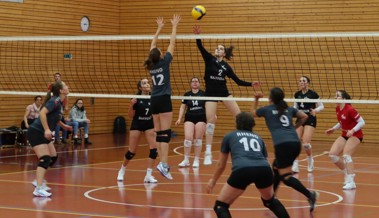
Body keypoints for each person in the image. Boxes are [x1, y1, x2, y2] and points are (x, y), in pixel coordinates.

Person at [193, 25, 260, 165]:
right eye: (217, 48)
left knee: (240, 117)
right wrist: (198, 35)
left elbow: (237, 81)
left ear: (224, 53)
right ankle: (208, 152)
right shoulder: (209, 59)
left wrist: (250, 84)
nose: (218, 49)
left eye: (221, 48)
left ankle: (246, 147)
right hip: (211, 94)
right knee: (210, 121)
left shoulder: (226, 67)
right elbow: (200, 46)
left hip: (224, 93)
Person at [207, 112, 290, 218]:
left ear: (237, 123)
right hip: (264, 169)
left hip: (243, 170)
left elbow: (221, 164)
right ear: (252, 124)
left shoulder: (229, 136)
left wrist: (213, 180)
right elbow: (265, 159)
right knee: (270, 201)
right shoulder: (258, 137)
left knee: (220, 206)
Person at [252, 87, 318, 212]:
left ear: (270, 98)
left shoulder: (267, 109)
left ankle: (310, 195)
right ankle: (271, 198)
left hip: (283, 145)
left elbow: (252, 114)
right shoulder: (288, 108)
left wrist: (256, 99)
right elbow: (304, 117)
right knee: (276, 166)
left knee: (286, 177)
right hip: (294, 143)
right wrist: (293, 127)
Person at [144, 15, 181, 180]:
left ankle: (162, 163)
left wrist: (159, 28)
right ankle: (164, 164)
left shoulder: (150, 64)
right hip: (164, 98)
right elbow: (172, 43)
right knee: (165, 134)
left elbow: (153, 45)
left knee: (159, 133)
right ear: (159, 55)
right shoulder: (164, 62)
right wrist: (174, 26)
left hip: (154, 100)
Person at [28, 80, 72, 197]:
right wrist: (47, 129)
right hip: (36, 132)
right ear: (61, 90)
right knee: (45, 158)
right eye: (65, 86)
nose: (68, 86)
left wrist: (64, 126)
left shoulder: (60, 102)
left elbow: (53, 117)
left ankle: (38, 180)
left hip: (42, 132)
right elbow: (42, 113)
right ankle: (38, 188)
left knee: (53, 157)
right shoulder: (54, 101)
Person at [117, 78, 158, 183]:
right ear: (140, 87)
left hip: (149, 124)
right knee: (131, 152)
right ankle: (122, 170)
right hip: (137, 124)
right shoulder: (136, 98)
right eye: (144, 83)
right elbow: (130, 116)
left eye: (148, 82)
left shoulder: (154, 97)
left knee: (154, 150)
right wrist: (131, 105)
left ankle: (148, 175)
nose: (147, 84)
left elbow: (155, 113)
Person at [325, 90, 365, 190]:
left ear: (343, 99)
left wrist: (352, 130)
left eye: (337, 96)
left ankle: (351, 182)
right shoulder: (338, 108)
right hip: (345, 134)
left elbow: (362, 122)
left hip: (356, 135)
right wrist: (334, 128)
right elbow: (342, 122)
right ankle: (347, 172)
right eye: (335, 96)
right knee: (332, 155)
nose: (335, 97)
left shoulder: (350, 109)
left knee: (346, 155)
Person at [292, 76, 324, 173]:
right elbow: (295, 107)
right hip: (300, 118)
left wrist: (315, 110)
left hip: (310, 118)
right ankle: (295, 163)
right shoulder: (297, 94)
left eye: (304, 81)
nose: (302, 82)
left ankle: (310, 159)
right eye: (300, 81)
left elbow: (322, 106)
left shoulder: (313, 94)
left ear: (308, 83)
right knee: (295, 142)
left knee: (305, 143)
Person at [175, 77, 206, 168]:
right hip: (189, 117)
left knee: (197, 139)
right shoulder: (187, 94)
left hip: (201, 117)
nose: (195, 83)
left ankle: (196, 160)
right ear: (190, 84)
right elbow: (182, 107)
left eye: (197, 81)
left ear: (199, 83)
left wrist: (212, 115)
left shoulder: (204, 94)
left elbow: (208, 105)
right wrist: (179, 118)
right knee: (188, 138)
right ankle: (186, 160)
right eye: (193, 81)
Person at [48, 72, 69, 144]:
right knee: (57, 123)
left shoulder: (63, 85)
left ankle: (64, 139)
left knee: (64, 123)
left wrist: (66, 105)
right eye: (56, 76)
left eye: (58, 76)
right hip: (55, 105)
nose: (57, 77)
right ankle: (57, 139)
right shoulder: (52, 85)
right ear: (54, 77)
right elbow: (49, 94)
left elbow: (66, 96)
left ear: (60, 77)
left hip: (61, 105)